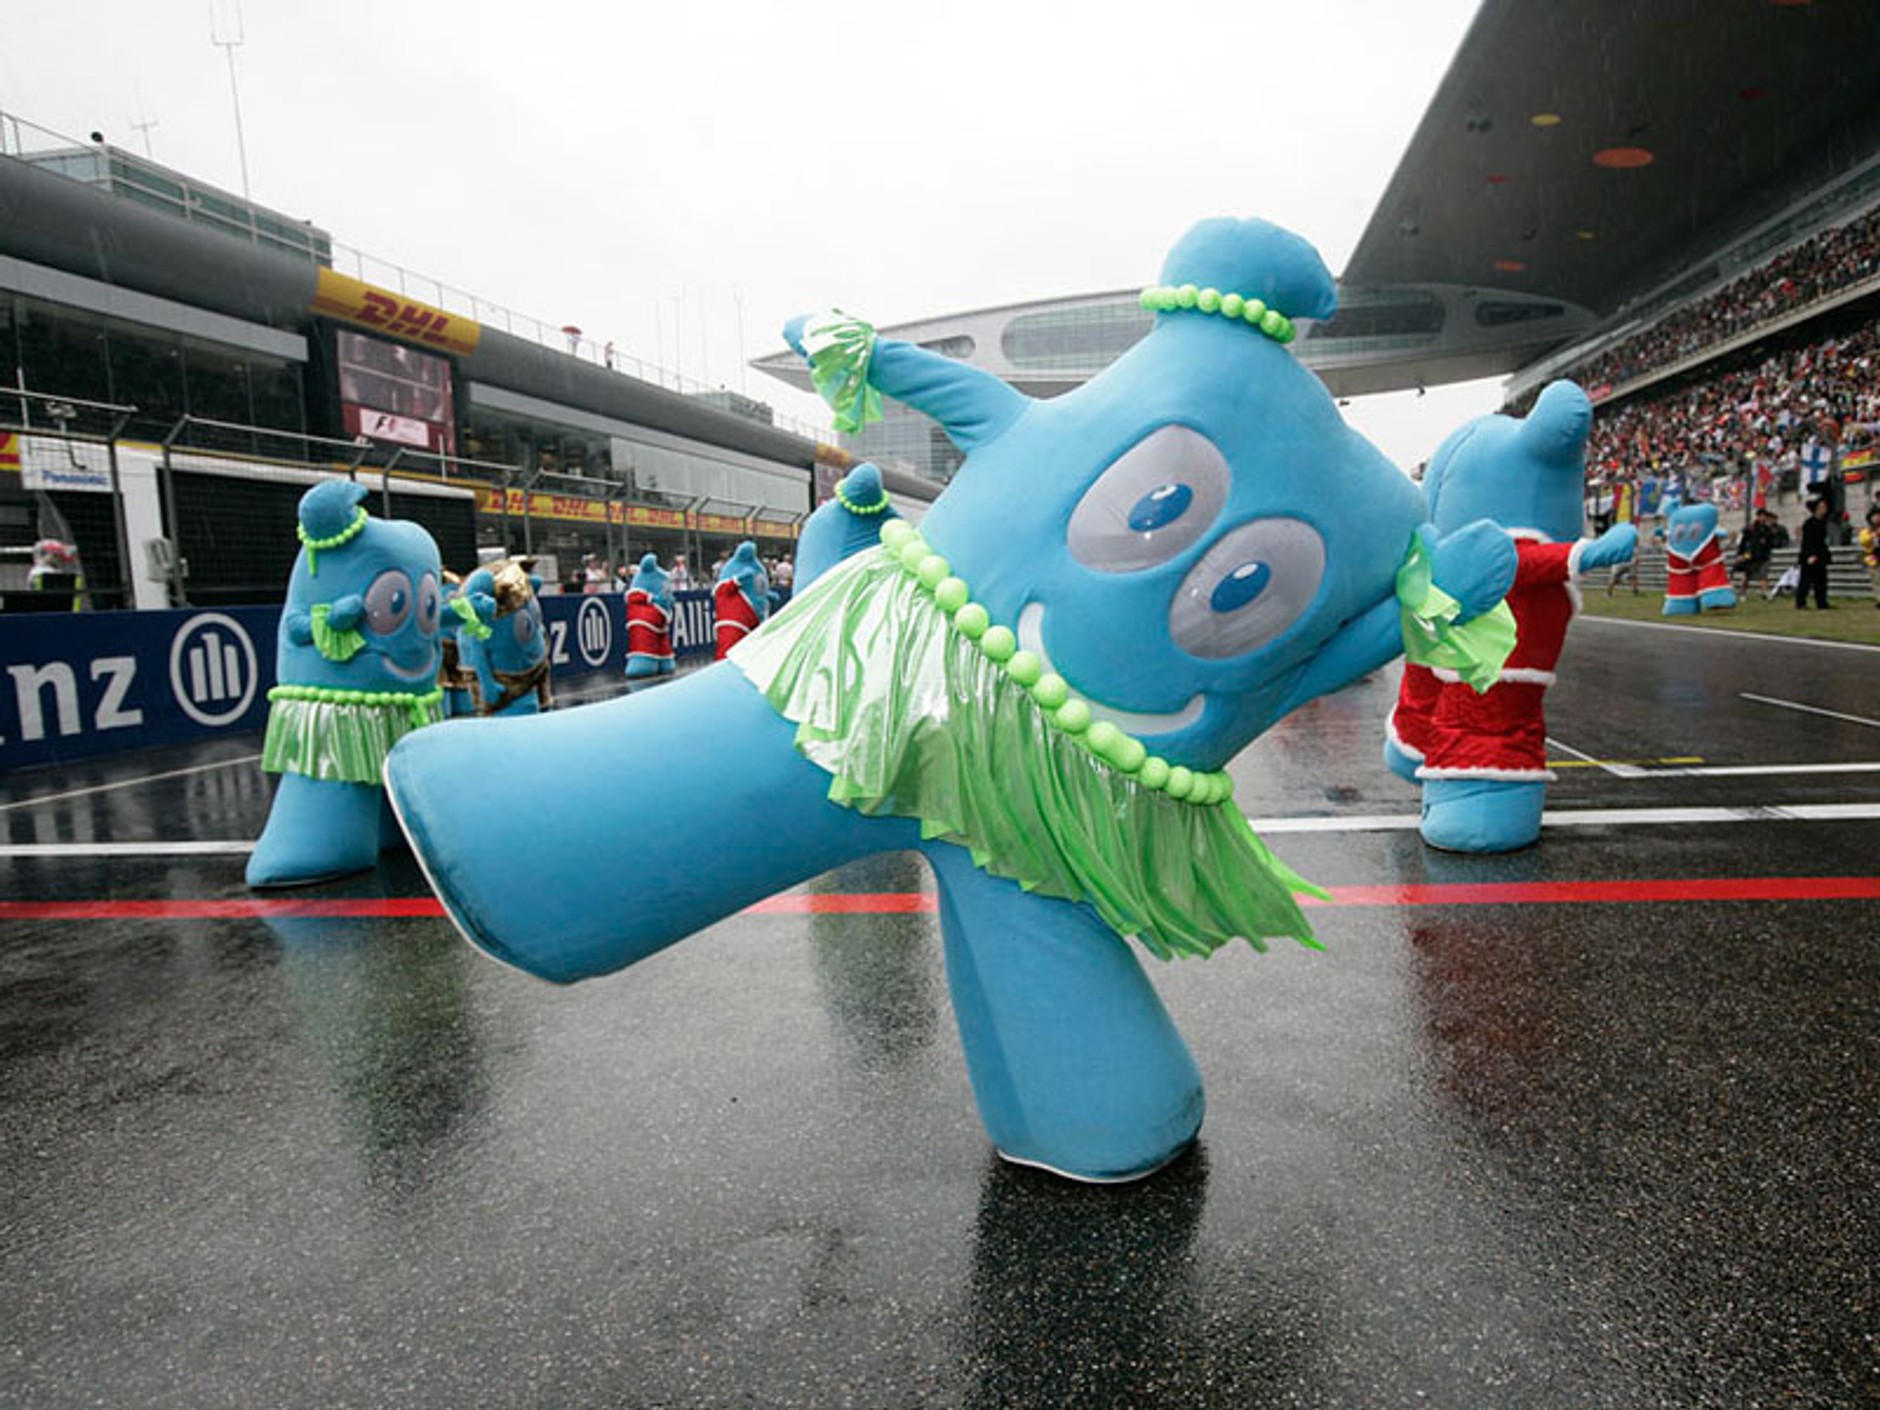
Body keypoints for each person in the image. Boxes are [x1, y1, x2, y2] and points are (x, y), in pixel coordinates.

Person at [1795, 497, 1834, 609]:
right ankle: (1801, 602)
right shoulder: (1810, 523)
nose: (1824, 509)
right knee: (1806, 581)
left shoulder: (1823, 522)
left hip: (1820, 554)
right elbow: (1808, 541)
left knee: (1821, 581)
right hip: (1810, 554)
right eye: (1821, 507)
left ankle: (1821, 602)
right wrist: (1810, 555)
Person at [1860, 504, 1880, 608]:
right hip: (1873, 557)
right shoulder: (1867, 531)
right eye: (1875, 516)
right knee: (1876, 579)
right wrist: (1873, 535)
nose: (1877, 518)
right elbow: (1863, 541)